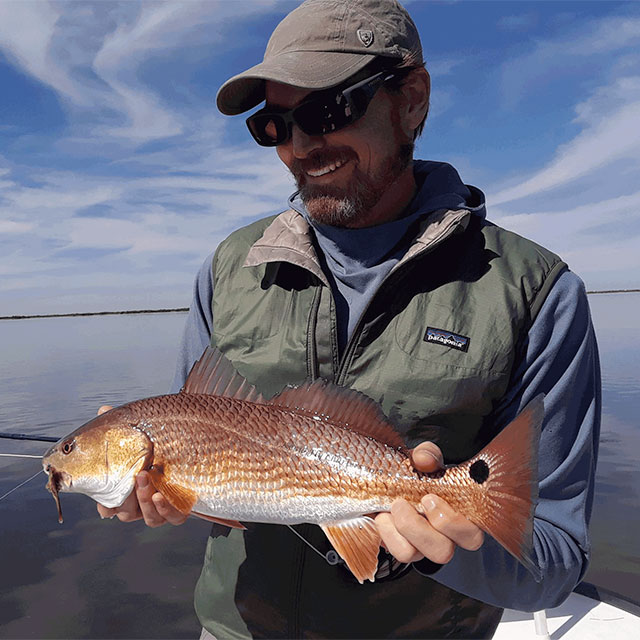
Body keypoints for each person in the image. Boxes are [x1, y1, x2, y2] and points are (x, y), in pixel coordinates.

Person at [98, 1, 601, 638]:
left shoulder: (535, 292)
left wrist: (446, 547)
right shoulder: (229, 267)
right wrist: (171, 497)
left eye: (328, 110)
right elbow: (213, 469)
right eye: (274, 125)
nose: (301, 145)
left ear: (412, 100)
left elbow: (553, 560)